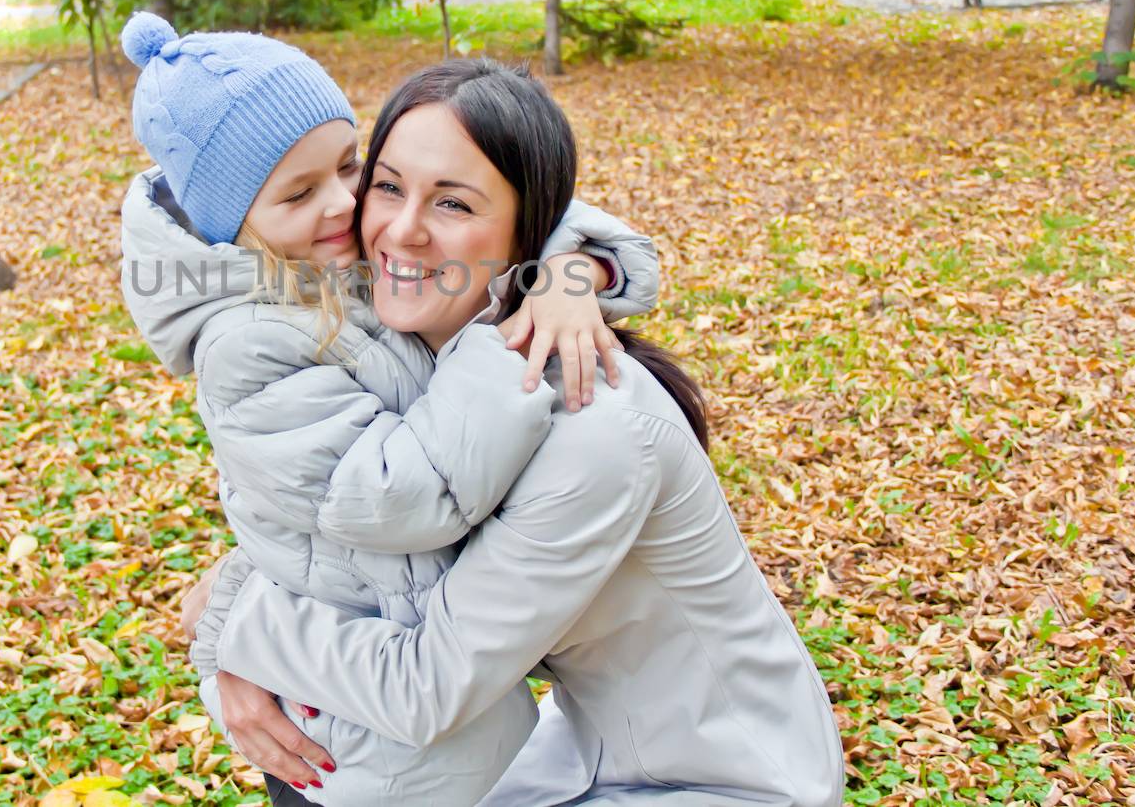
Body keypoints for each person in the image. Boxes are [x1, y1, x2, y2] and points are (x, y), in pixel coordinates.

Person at [187, 58, 846, 806]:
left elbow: (423, 686)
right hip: (587, 754)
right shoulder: (449, 364)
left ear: (524, 230)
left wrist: (237, 624)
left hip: (726, 784)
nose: (401, 231)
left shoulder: (592, 431)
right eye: (390, 185)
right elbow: (359, 517)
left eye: (455, 205)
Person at [116, 15, 660, 805]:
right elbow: (398, 496)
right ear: (229, 227)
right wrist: (502, 337)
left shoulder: (335, 261)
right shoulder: (247, 344)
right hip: (356, 741)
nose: (344, 203)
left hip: (444, 715)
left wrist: (570, 274)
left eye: (350, 166)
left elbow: (539, 221)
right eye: (299, 192)